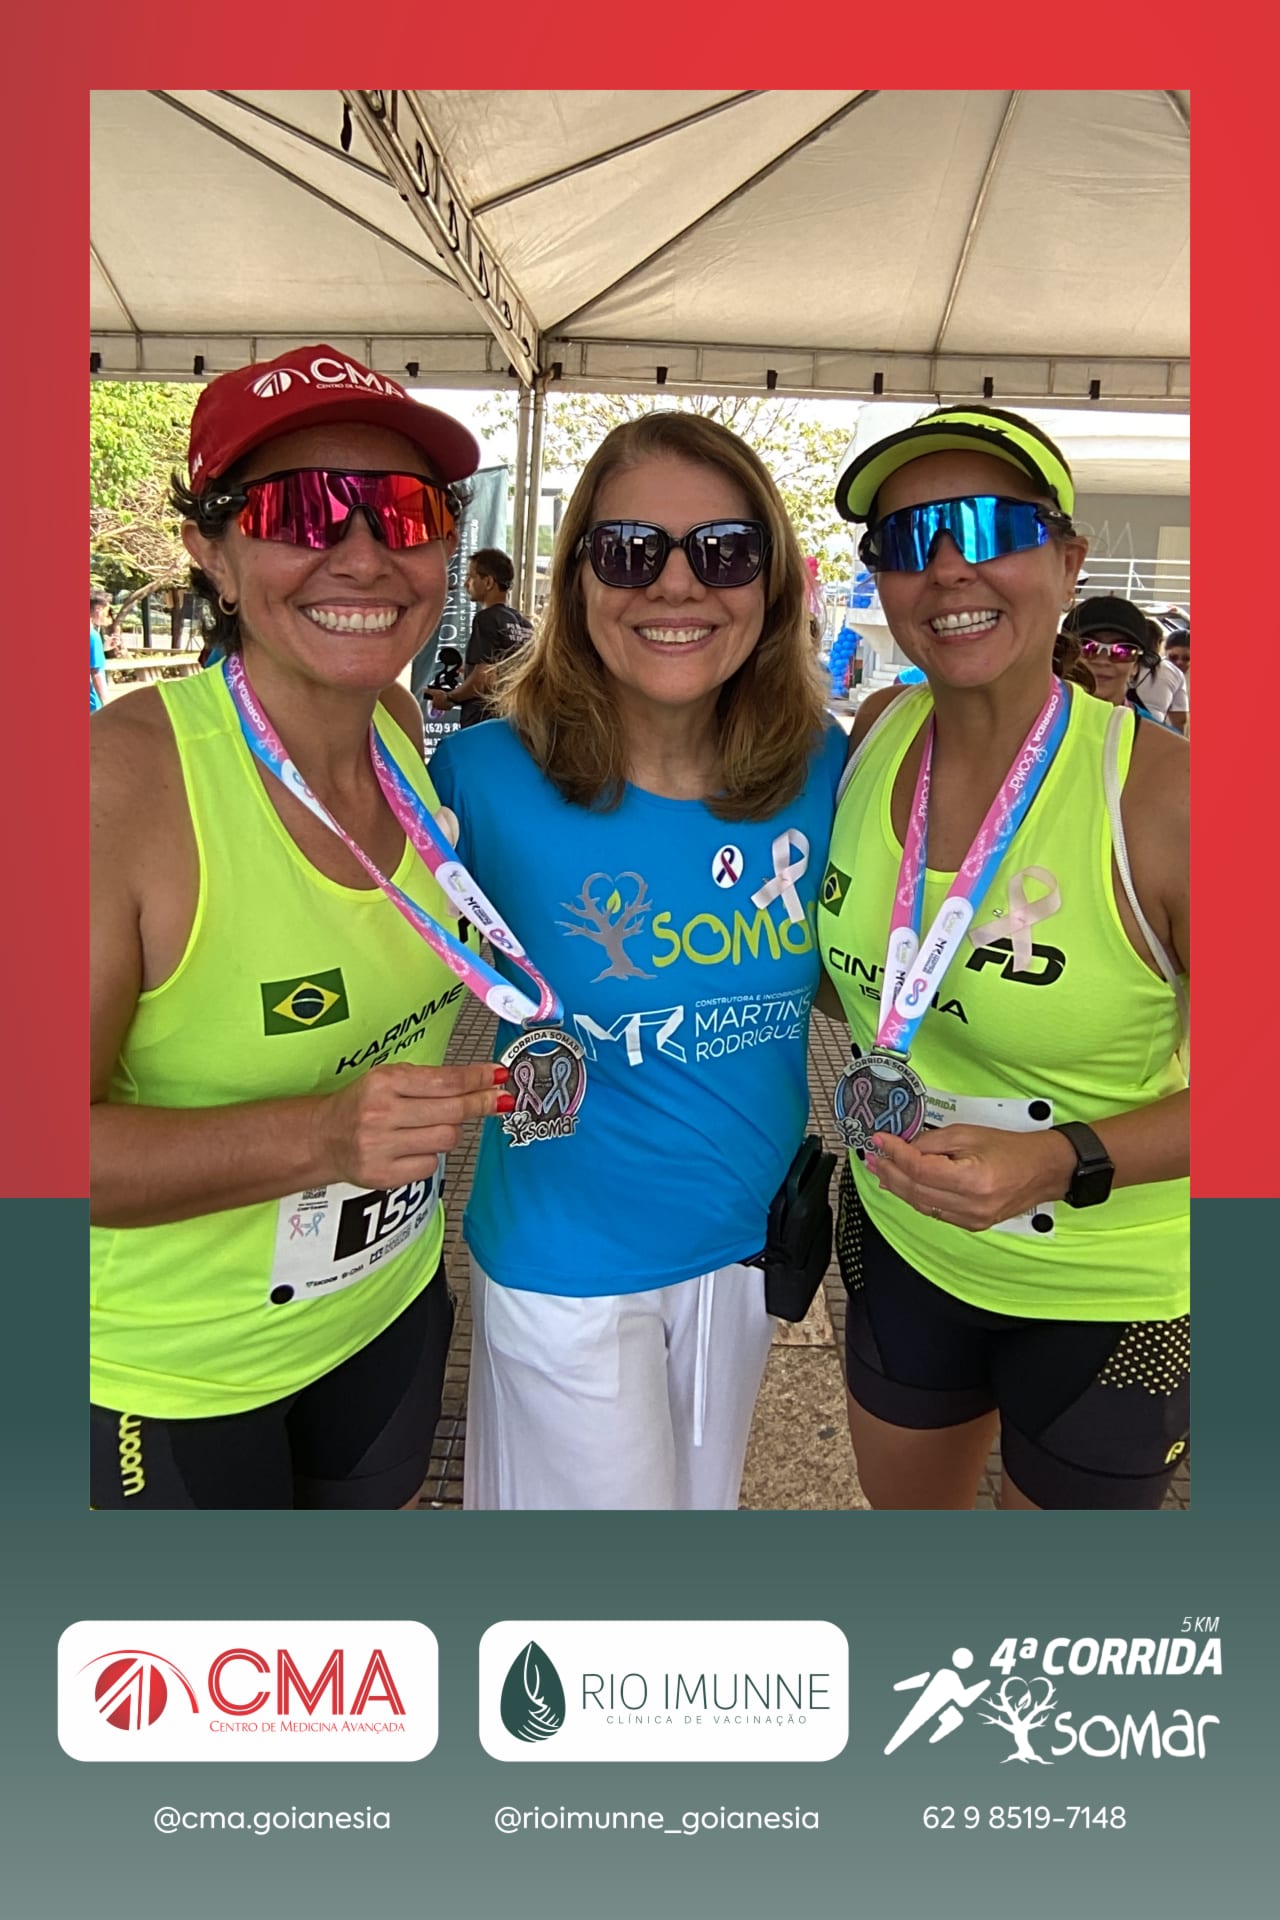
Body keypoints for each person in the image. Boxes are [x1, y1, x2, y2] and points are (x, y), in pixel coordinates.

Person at [90, 343, 518, 1510]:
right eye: (302, 510)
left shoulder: (394, 728)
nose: (364, 554)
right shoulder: (117, 787)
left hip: (386, 1311)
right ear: (212, 552)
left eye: (405, 511)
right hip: (177, 1377)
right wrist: (321, 1136)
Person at [429, 410, 846, 1510]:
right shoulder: (479, 779)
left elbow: (855, 982)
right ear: (576, 580)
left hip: (746, 1249)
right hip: (565, 1265)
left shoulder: (823, 768)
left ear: (772, 583)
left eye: (724, 552)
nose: (676, 585)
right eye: (628, 551)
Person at [820, 404, 1189, 1512]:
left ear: (1068, 561)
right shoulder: (877, 730)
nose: (947, 569)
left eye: (989, 527)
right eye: (906, 540)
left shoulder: (1170, 800)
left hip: (1106, 1292)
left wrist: (1058, 1159)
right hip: (900, 1238)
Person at [430, 546, 532, 727]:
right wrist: (469, 670)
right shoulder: (525, 625)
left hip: (482, 724)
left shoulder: (486, 619)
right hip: (515, 723)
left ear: (488, 582)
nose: (465, 584)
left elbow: (483, 680)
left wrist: (449, 698)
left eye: (471, 577)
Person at [1065, 594, 1188, 732]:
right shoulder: (1044, 719)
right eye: (1086, 646)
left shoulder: (1158, 738)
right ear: (1063, 654)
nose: (1102, 661)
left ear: (1136, 665)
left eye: (1122, 651)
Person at [90, 588, 111, 711]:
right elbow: (95, 673)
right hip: (92, 703)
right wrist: (106, 705)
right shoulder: (93, 636)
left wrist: (104, 648)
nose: (107, 615)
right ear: (98, 610)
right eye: (106, 611)